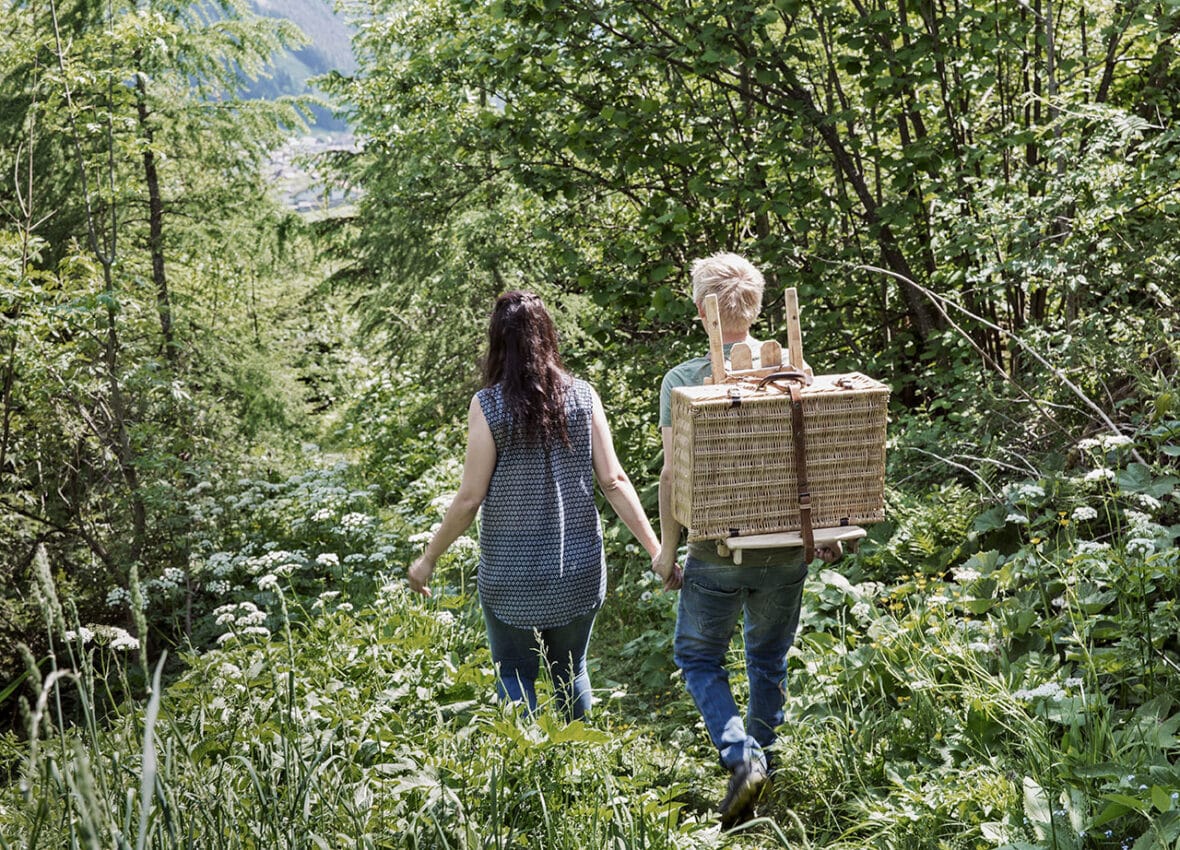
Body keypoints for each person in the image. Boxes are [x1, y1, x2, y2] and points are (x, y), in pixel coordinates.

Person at [408, 290, 681, 720]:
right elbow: (613, 480)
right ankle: (579, 763)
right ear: (548, 336)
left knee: (515, 672)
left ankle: (529, 769)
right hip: (577, 569)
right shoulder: (583, 397)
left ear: (498, 342)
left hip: (509, 574)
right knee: (571, 673)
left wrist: (427, 560)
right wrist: (657, 552)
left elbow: (469, 498)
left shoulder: (488, 406)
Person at [653, 253, 840, 827]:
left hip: (716, 548)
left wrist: (666, 548)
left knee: (698, 656)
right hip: (788, 547)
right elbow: (820, 461)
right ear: (756, 305)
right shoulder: (796, 374)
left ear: (699, 306)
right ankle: (766, 770)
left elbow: (671, 474)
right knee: (768, 657)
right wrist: (828, 527)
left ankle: (741, 758)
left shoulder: (685, 380)